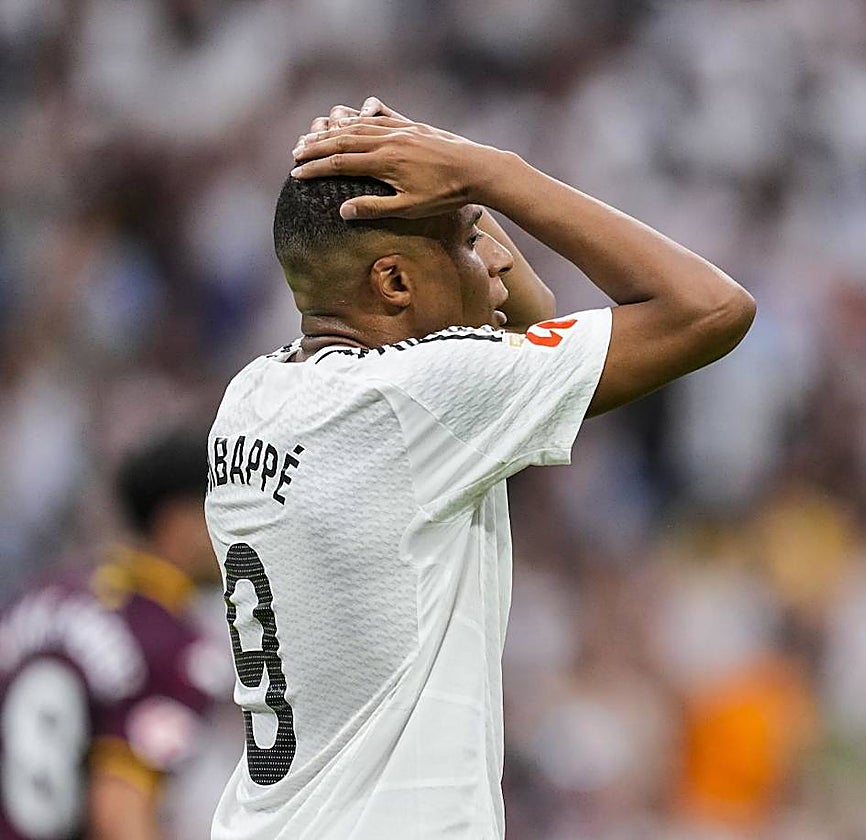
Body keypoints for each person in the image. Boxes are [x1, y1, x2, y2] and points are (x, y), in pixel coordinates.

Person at [203, 95, 755, 839]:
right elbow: (710, 309)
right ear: (394, 284)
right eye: (468, 237)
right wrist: (492, 170)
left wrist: (439, 167)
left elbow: (532, 317)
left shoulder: (253, 395)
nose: (494, 259)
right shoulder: (424, 395)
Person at [0, 429, 229, 840]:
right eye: (222, 510)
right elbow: (120, 812)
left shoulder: (45, 593)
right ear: (179, 523)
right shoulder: (173, 645)